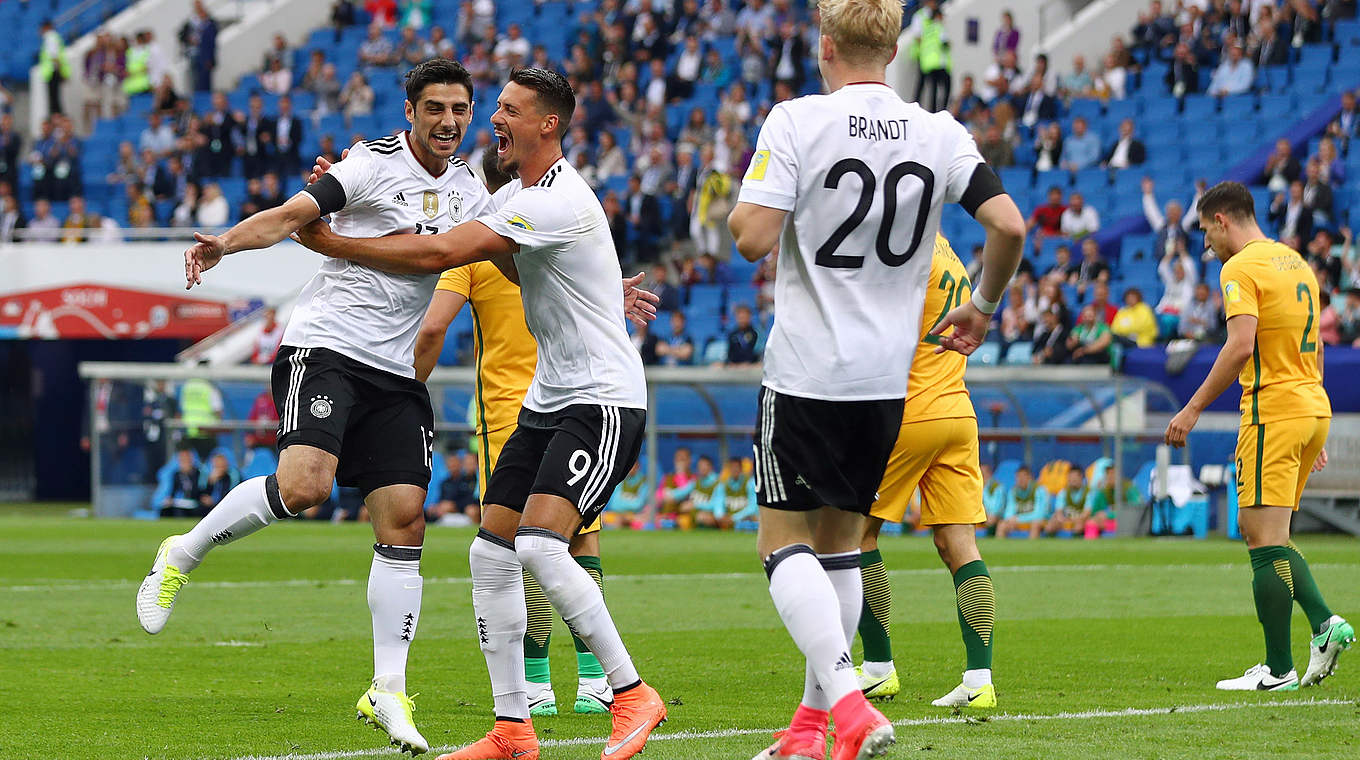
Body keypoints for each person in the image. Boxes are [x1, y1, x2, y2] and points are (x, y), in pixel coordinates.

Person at [293, 67, 668, 760]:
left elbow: (439, 251)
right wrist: (352, 202)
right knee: (488, 554)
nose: (492, 121)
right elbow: (437, 225)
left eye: (508, 111)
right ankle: (511, 729)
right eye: (494, 109)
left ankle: (631, 692)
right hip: (548, 401)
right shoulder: (522, 195)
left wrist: (332, 242)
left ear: (547, 124)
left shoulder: (556, 201)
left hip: (602, 400)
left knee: (539, 545)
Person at [137, 60, 493, 756]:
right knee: (305, 487)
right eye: (435, 108)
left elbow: (503, 257)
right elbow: (295, 215)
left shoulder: (471, 188)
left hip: (394, 372)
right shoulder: (368, 165)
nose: (449, 121)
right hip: (327, 348)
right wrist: (225, 244)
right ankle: (182, 551)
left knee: (406, 519)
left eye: (460, 108)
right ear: (410, 110)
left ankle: (387, 687)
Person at [727, 0, 1025, 756]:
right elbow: (1010, 226)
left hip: (805, 373)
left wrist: (753, 209)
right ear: (892, 50)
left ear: (825, 44)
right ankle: (810, 727)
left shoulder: (796, 121)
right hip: (888, 384)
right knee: (839, 551)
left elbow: (751, 238)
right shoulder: (940, 131)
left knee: (781, 546)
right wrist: (984, 308)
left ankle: (852, 707)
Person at [410, 146, 657, 718]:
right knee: (539, 546)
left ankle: (594, 685)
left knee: (541, 544)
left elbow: (433, 319)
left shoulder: (497, 235)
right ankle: (533, 711)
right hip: (541, 404)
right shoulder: (531, 224)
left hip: (549, 405)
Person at [1164, 181, 1353, 692]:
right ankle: (1318, 630)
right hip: (1311, 407)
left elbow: (1241, 344)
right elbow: (1309, 346)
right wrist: (1310, 423)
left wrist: (1192, 407)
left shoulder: (1240, 267)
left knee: (1257, 535)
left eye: (1206, 231)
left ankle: (1283, 663)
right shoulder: (1296, 263)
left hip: (1273, 410)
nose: (1206, 244)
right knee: (1272, 535)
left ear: (1223, 220)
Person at [852, 235, 1000, 710]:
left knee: (855, 536)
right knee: (959, 546)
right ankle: (979, 678)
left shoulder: (901, 246)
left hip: (909, 411)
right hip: (956, 409)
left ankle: (877, 668)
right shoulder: (947, 249)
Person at [995, 465, 1048, 539]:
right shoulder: (1013, 491)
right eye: (1018, 477)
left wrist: (1019, 519)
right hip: (1019, 521)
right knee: (1002, 525)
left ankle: (1031, 549)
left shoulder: (1039, 490)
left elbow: (1039, 514)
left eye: (1023, 476)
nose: (1020, 479)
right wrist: (1011, 520)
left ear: (1030, 477)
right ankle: (1001, 549)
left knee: (1035, 525)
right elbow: (1008, 512)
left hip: (1039, 522)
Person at [1044, 467, 1089, 537]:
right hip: (1066, 520)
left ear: (1081, 478)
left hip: (1081, 521)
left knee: (1079, 526)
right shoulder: (1063, 492)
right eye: (1070, 477)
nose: (1072, 480)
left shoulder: (1088, 492)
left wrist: (1073, 520)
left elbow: (1086, 514)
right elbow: (1059, 513)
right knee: (1050, 525)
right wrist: (1064, 520)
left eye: (1075, 477)